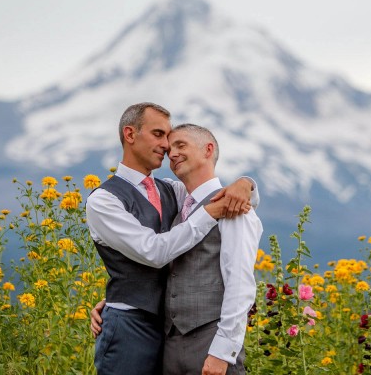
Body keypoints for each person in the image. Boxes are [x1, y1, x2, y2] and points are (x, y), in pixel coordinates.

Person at [86, 102, 258, 375]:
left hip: (170, 332)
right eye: (158, 134)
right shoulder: (104, 200)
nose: (167, 146)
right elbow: (153, 252)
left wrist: (246, 184)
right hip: (130, 327)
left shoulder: (173, 191)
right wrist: (116, 305)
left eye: (170, 137)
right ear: (130, 135)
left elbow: (212, 192)